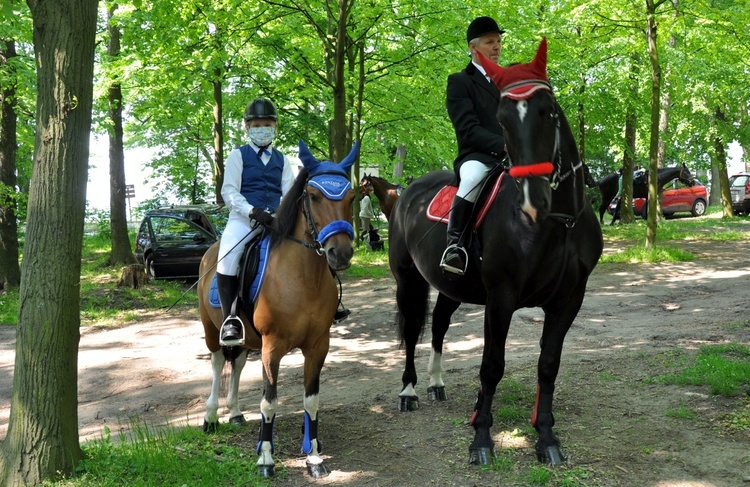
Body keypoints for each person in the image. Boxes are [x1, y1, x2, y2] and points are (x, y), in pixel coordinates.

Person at [215, 97, 296, 346]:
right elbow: (228, 192)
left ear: (275, 127)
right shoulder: (237, 156)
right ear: (248, 127)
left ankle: (328, 303)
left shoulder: (283, 160)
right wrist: (252, 211)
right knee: (228, 255)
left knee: (309, 246)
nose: (263, 129)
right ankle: (231, 318)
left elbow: (290, 192)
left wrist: (280, 215)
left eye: (267, 124)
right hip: (244, 221)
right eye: (257, 125)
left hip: (275, 222)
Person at [442, 16, 507, 275]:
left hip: (510, 155)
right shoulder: (460, 81)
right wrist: (504, 145)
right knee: (473, 179)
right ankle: (455, 246)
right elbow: (467, 130)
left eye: (499, 41)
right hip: (477, 156)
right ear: (473, 47)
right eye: (490, 42)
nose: (497, 47)